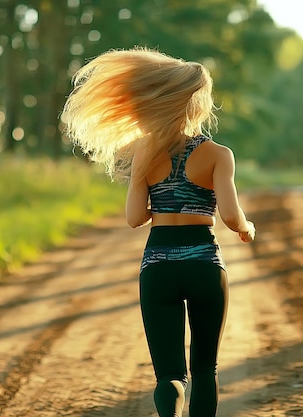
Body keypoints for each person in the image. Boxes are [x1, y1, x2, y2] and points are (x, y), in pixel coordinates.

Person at [62, 47, 255, 417]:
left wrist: (163, 203)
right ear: (197, 103)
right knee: (204, 369)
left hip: (158, 267)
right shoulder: (218, 155)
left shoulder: (143, 154)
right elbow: (231, 216)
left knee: (170, 375)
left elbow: (135, 217)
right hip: (204, 262)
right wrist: (247, 229)